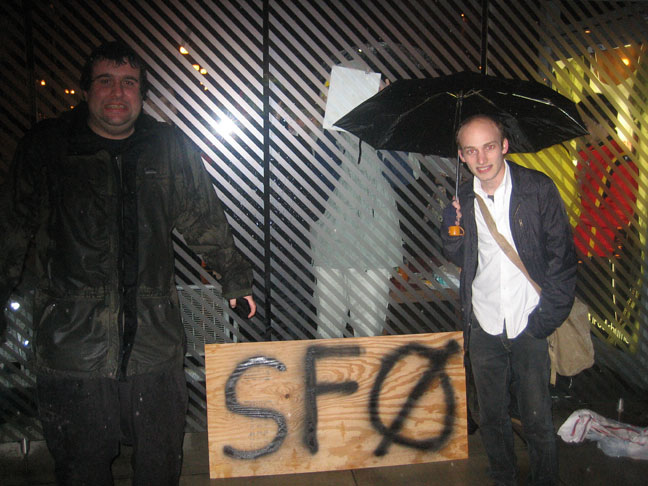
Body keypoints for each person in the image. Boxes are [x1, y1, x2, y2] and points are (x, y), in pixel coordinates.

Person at [0, 40, 256, 485]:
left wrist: (234, 277)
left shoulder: (168, 146)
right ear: (86, 90)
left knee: (160, 464)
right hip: (72, 345)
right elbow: (10, 230)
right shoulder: (47, 147)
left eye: (129, 83)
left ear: (142, 93)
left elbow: (203, 218)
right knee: (81, 469)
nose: (118, 92)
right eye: (106, 81)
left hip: (154, 344)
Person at [442, 114, 577, 486]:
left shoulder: (538, 189)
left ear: (504, 146)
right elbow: (461, 255)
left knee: (537, 418)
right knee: (491, 415)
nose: (481, 158)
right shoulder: (463, 196)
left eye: (488, 147)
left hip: (528, 319)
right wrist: (451, 229)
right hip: (483, 320)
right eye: (471, 150)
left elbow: (563, 259)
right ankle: (503, 476)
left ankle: (545, 479)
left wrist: (544, 320)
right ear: (461, 155)